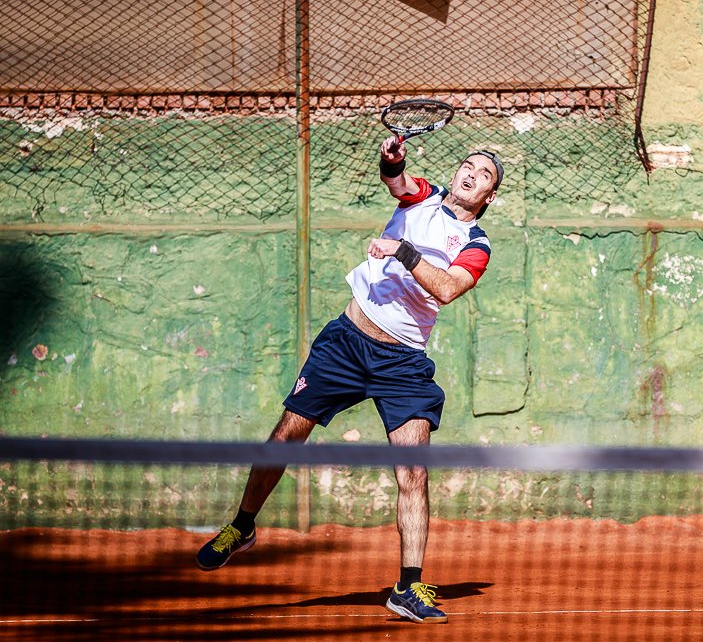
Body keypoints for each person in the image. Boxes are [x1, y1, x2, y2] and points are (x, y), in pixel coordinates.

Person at [196, 136, 503, 625]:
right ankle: (242, 526)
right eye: (466, 165)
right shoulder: (423, 196)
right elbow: (396, 180)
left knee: (414, 473)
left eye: (483, 174)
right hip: (345, 343)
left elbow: (447, 289)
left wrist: (402, 250)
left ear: (489, 196)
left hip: (403, 363)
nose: (470, 173)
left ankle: (408, 586)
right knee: (283, 439)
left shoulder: (476, 244)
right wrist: (392, 158)